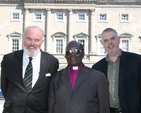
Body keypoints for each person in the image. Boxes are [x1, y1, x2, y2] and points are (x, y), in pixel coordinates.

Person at [1, 26, 59, 113]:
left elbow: (51, 90)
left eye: (36, 40)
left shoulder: (51, 62)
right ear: (23, 39)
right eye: (29, 39)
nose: (32, 43)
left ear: (42, 42)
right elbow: (4, 85)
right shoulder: (9, 59)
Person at [48, 40, 110, 113]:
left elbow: (104, 107)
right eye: (69, 52)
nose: (72, 55)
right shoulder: (55, 77)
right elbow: (51, 106)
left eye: (76, 51)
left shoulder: (98, 76)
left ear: (83, 54)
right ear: (65, 56)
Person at [92, 28, 141, 113]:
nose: (110, 42)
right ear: (102, 44)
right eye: (106, 40)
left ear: (119, 40)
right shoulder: (97, 67)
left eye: (112, 38)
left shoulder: (137, 61)